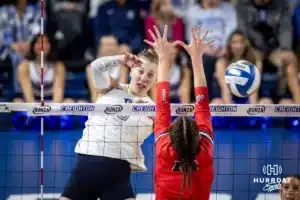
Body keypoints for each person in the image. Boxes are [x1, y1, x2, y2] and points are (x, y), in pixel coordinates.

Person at [60, 46, 160, 199]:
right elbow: (96, 67)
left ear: (156, 79)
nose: (144, 77)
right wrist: (120, 59)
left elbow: (167, 136)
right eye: (141, 71)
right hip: (87, 163)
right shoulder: (112, 88)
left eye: (151, 74)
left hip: (118, 173)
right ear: (131, 71)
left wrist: (154, 117)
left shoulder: (153, 109)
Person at [145, 25, 214, 199]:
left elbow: (162, 102)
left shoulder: (164, 148)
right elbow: (202, 104)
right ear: (197, 135)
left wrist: (162, 58)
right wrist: (197, 59)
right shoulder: (203, 148)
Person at [213, 30, 262, 104]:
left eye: (241, 42)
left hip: (248, 96)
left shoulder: (255, 61)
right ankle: (228, 114)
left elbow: (255, 87)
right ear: (229, 45)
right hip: (228, 98)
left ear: (246, 44)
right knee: (216, 102)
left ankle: (253, 113)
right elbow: (224, 87)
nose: (238, 46)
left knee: (266, 101)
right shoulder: (221, 62)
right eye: (235, 42)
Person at [15, 35, 66, 103]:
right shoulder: (24, 66)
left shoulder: (59, 66)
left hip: (52, 103)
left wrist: (52, 110)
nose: (42, 46)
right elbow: (28, 96)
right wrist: (36, 111)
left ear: (50, 46)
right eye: (38, 43)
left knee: (69, 102)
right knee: (17, 102)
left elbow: (58, 96)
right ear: (33, 46)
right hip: (32, 103)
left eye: (45, 43)